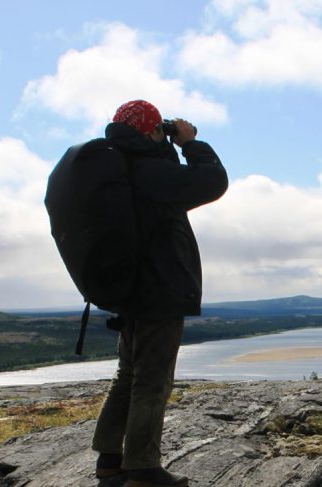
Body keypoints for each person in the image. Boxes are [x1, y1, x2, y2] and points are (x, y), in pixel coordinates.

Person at [91, 100, 228, 486]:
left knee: (128, 375)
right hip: (159, 290)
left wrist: (165, 145)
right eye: (159, 130)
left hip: (131, 290)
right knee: (153, 380)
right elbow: (211, 182)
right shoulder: (149, 170)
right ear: (151, 131)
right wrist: (190, 143)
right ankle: (144, 468)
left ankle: (110, 460)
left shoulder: (119, 167)